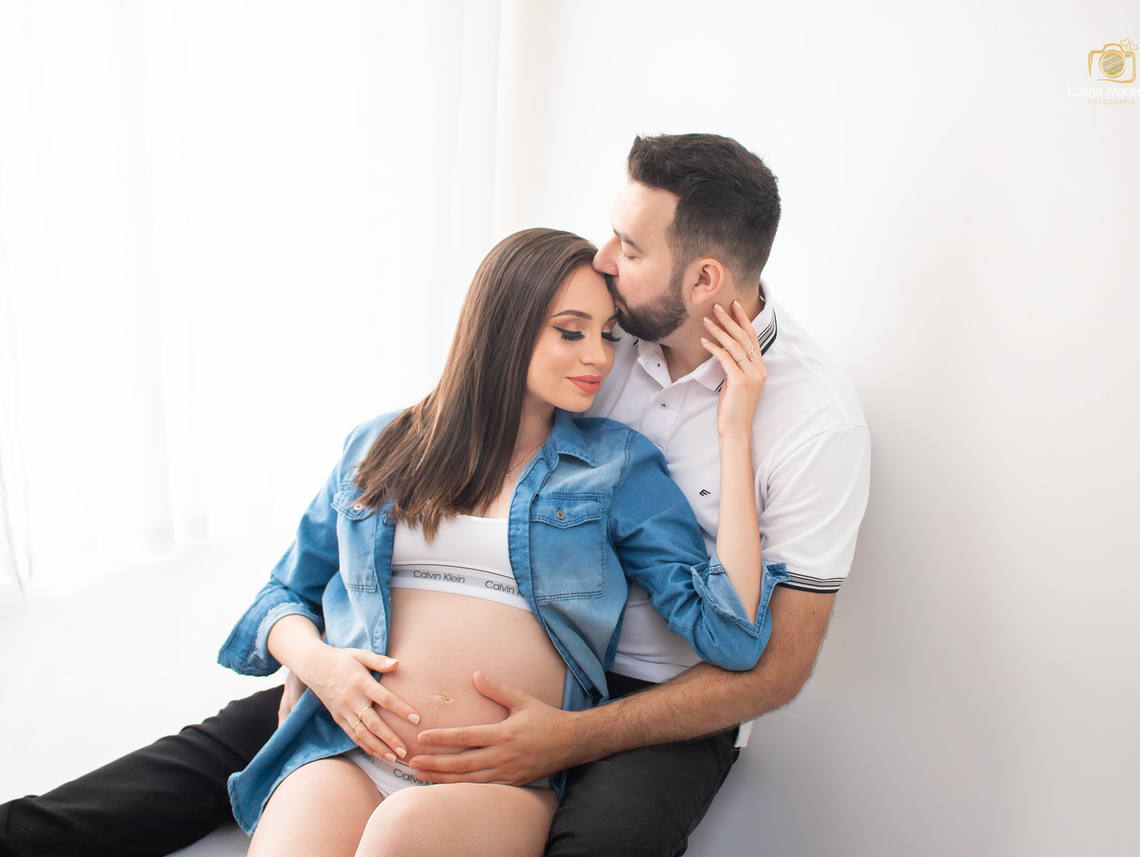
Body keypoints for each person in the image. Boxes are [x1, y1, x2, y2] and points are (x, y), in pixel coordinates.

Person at [0, 133, 870, 857]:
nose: (605, 267)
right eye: (577, 323)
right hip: (387, 693)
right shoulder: (603, 345)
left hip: (648, 698)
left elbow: (767, 663)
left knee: (600, 842)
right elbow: (437, 461)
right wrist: (322, 663)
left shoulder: (802, 423)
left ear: (706, 280)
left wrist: (570, 737)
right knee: (218, 756)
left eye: (629, 251)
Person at [221, 226, 780, 857]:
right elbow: (282, 596)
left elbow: (730, 635)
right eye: (571, 332)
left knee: (402, 836)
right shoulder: (381, 445)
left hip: (498, 783)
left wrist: (735, 432)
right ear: (502, 327)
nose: (598, 356)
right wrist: (318, 665)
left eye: (607, 335)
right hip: (346, 753)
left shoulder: (617, 467)